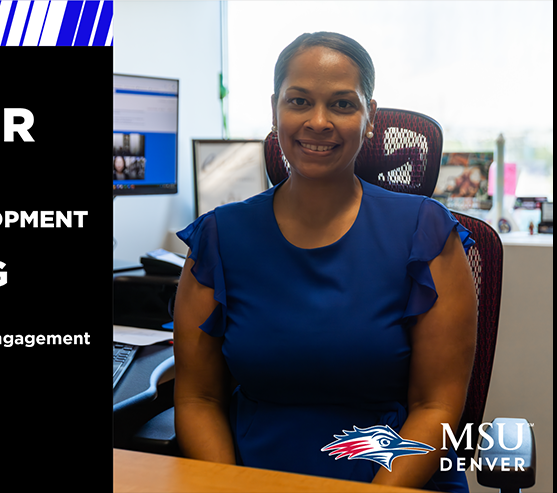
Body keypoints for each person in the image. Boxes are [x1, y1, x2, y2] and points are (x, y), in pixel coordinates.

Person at [172, 32, 477, 492]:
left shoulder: (425, 232)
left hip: (393, 477)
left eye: (341, 104)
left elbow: (436, 407)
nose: (318, 121)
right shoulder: (220, 237)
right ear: (275, 110)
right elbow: (199, 397)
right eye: (299, 101)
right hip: (251, 476)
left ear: (369, 117)